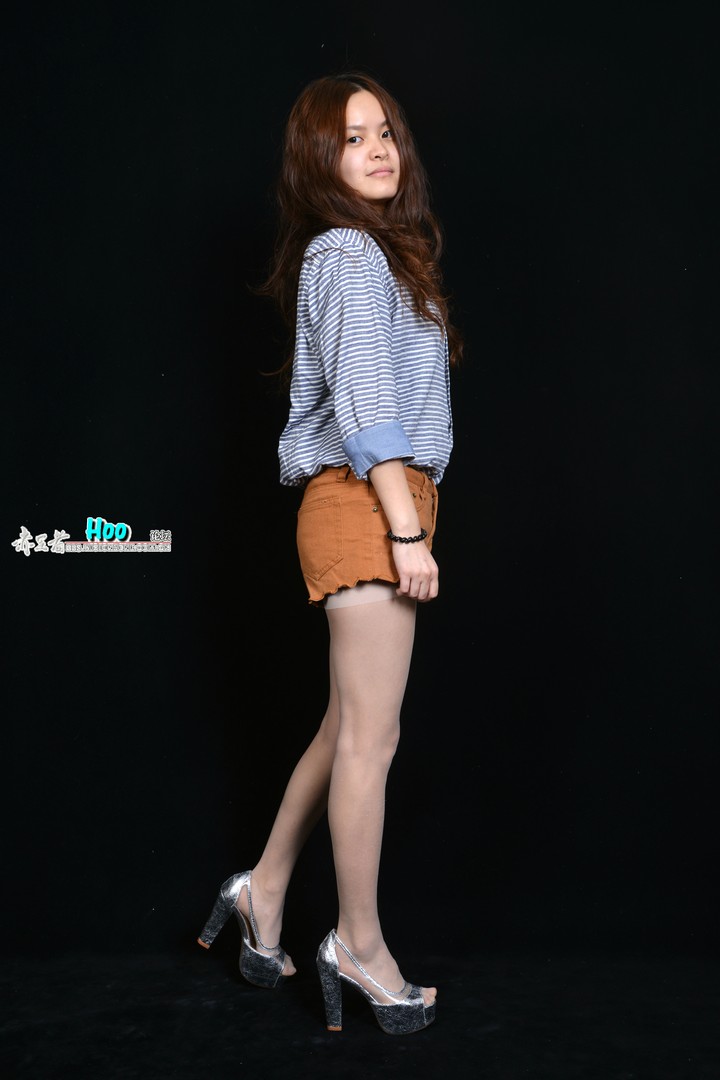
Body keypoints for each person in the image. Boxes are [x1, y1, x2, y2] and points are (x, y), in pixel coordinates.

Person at [197, 70, 462, 1036]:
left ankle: (263, 889)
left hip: (375, 496)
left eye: (384, 130)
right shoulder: (346, 251)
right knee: (369, 741)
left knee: (345, 726)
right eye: (352, 138)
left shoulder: (379, 253)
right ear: (320, 160)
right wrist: (405, 530)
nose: (378, 148)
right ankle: (359, 943)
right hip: (366, 499)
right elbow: (365, 405)